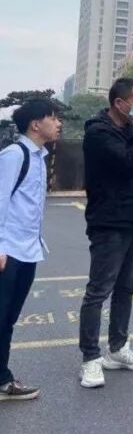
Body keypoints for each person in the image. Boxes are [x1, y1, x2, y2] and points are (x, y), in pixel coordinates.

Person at [78, 78, 133, 389]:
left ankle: (118, 347)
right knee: (98, 291)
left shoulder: (132, 130)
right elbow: (129, 163)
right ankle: (90, 358)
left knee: (126, 287)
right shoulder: (98, 133)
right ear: (119, 103)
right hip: (109, 222)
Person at [0, 100, 62, 401]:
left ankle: (2, 378)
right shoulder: (15, 155)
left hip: (28, 250)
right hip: (8, 251)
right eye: (53, 118)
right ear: (35, 124)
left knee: (8, 318)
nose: (58, 123)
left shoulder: (39, 157)